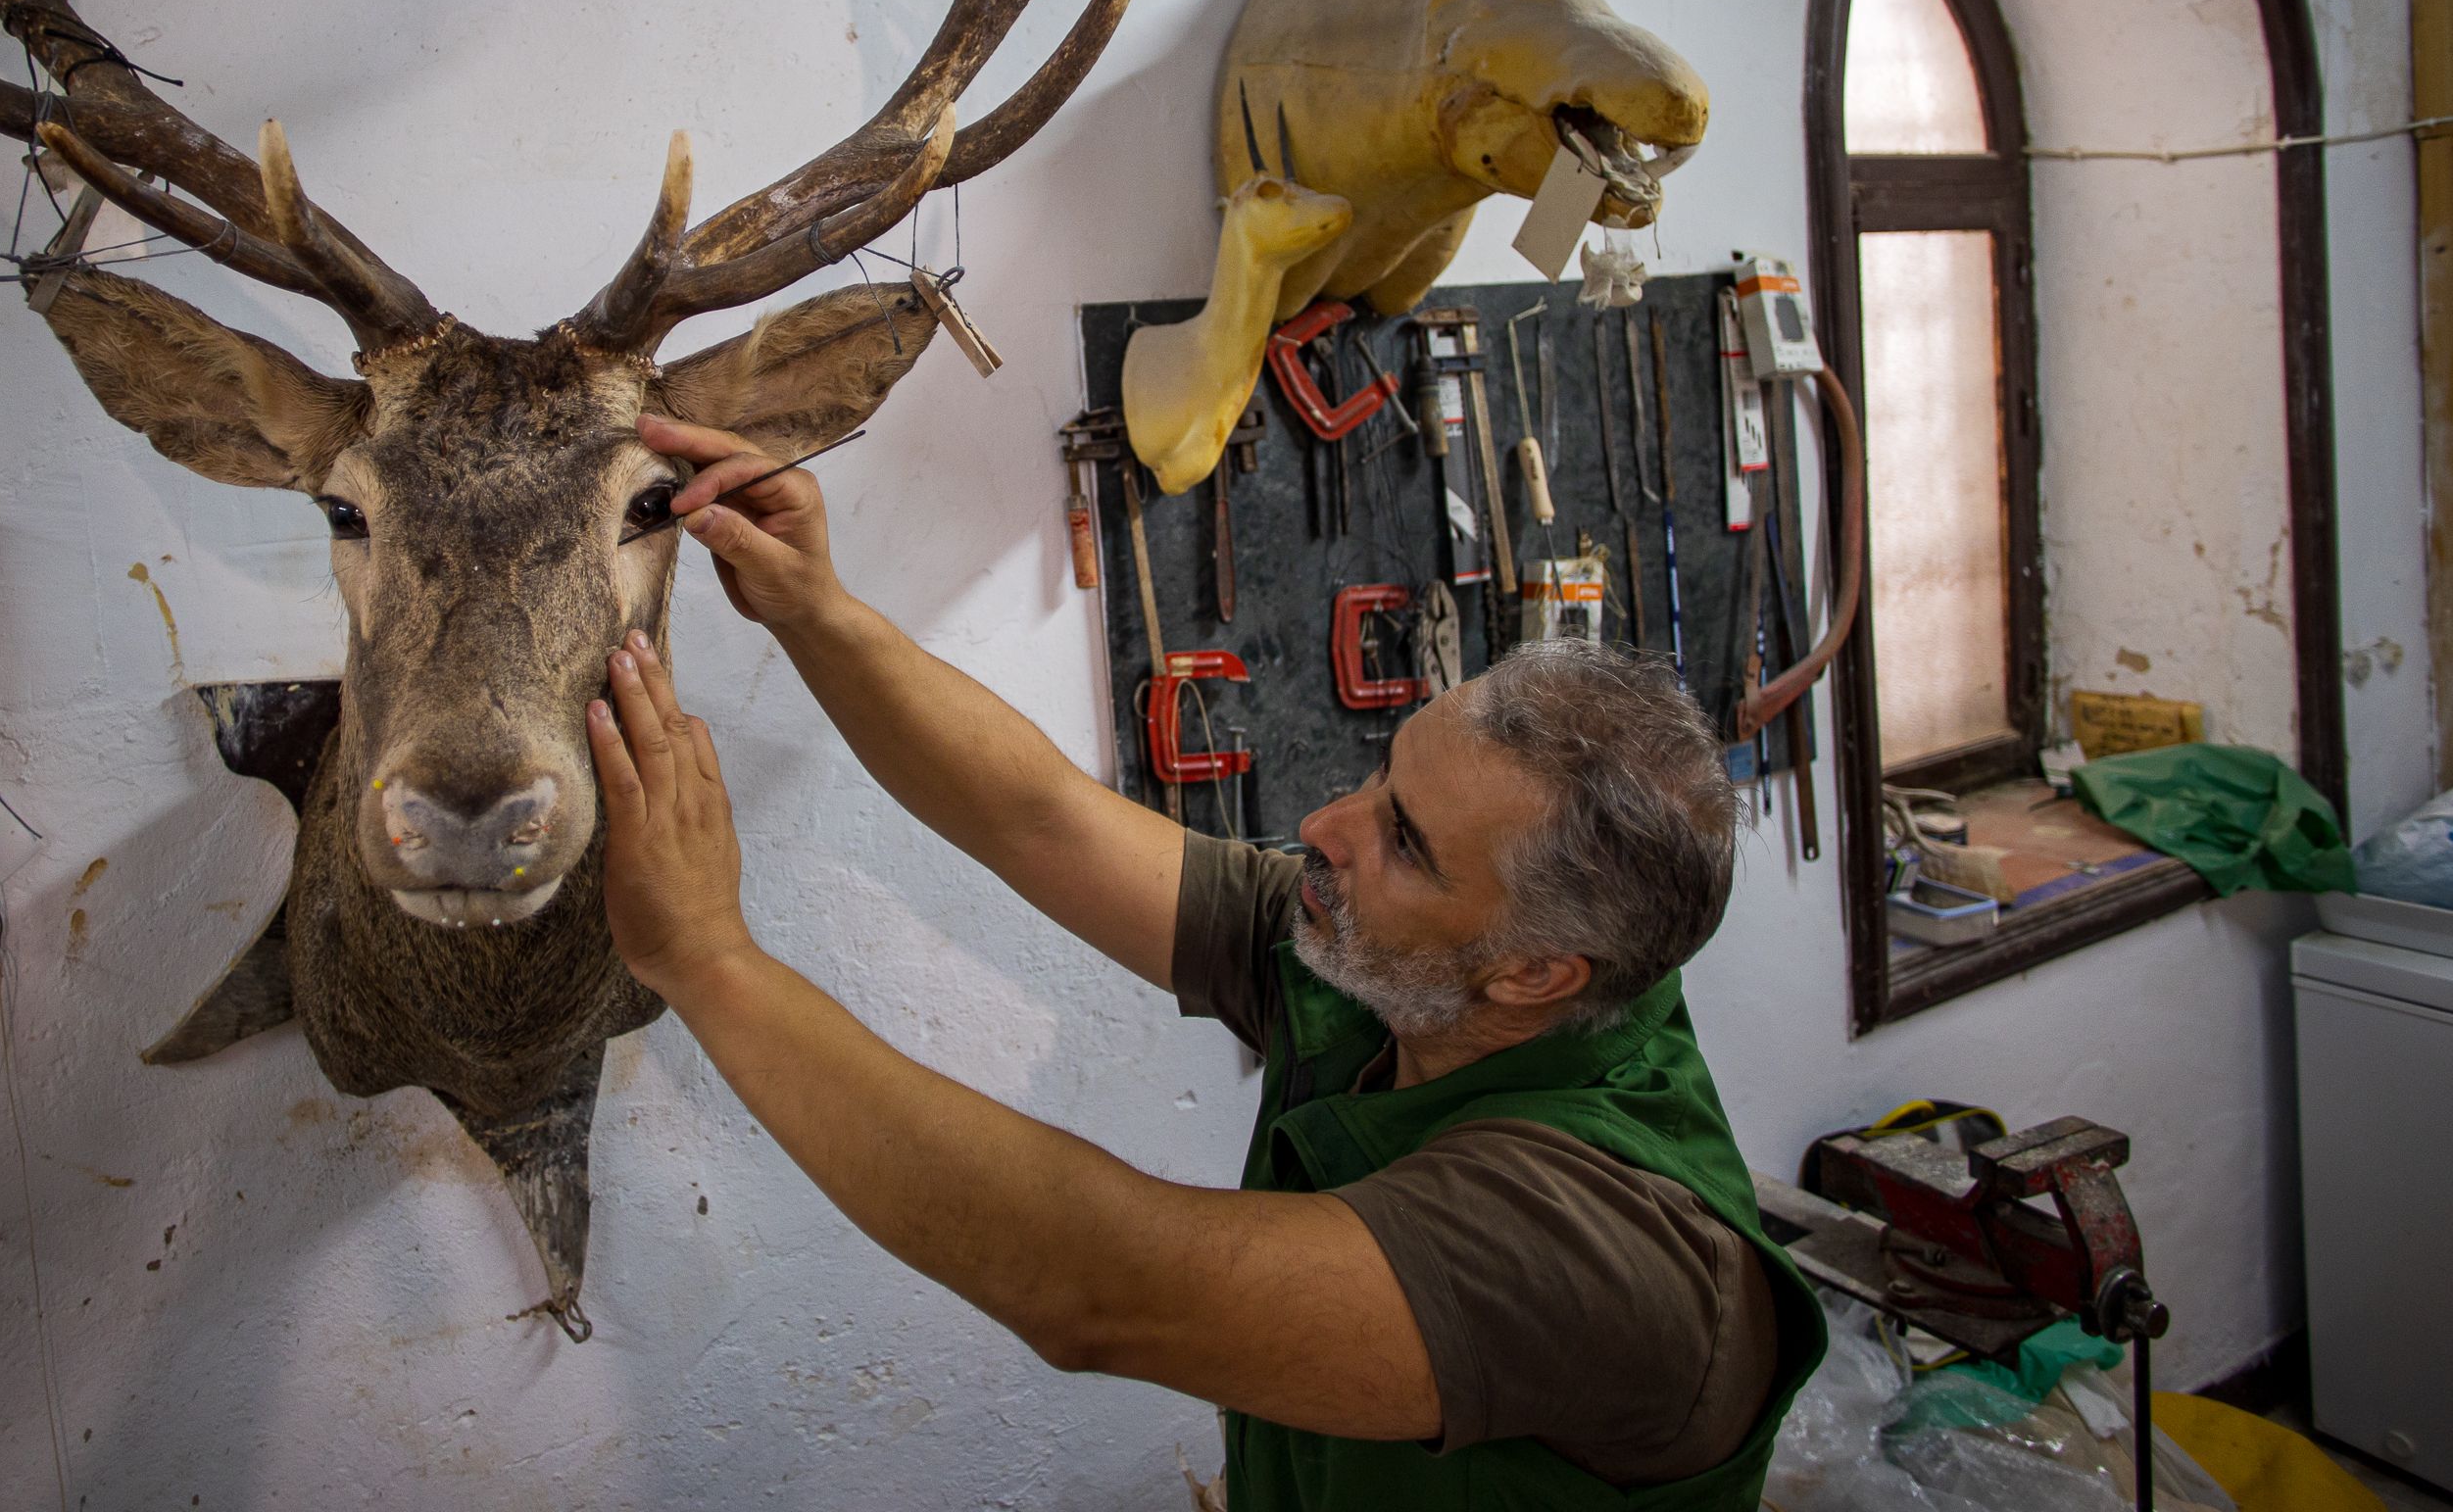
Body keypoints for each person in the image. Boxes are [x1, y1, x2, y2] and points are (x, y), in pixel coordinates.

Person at [583, 415, 1827, 1511]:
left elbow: (1102, 1287)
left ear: (1539, 973)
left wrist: (707, 957)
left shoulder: (1605, 1248)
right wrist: (819, 610)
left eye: (1404, 837)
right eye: (1380, 776)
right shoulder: (1417, 965)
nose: (1327, 830)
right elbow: (1043, 821)